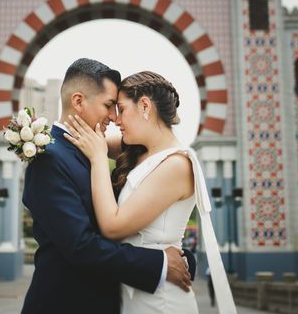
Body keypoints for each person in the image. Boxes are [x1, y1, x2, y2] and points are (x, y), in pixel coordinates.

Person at [21, 59, 193, 314]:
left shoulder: (93, 150)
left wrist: (182, 257)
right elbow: (81, 246)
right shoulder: (50, 158)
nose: (114, 117)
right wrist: (160, 263)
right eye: (109, 106)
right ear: (78, 102)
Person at [64, 70, 237, 314]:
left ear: (145, 105)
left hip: (160, 299)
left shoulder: (176, 165)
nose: (115, 119)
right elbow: (93, 137)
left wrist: (99, 159)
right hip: (136, 289)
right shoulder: (139, 151)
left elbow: (113, 227)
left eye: (121, 109)